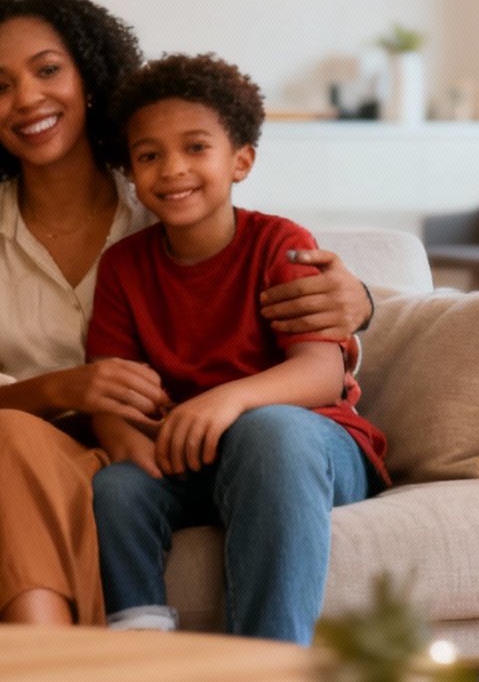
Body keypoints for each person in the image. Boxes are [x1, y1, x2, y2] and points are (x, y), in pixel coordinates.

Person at [0, 0, 377, 628]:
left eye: (49, 70)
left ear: (91, 80)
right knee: (40, 452)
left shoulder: (166, 207)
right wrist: (75, 394)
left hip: (216, 441)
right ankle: (97, 658)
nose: (26, 99)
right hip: (54, 452)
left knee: (260, 436)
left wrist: (363, 303)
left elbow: (309, 345)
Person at [86, 53, 389, 646]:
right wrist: (127, 445)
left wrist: (224, 402)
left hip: (308, 444)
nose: (172, 169)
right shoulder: (123, 266)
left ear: (241, 161)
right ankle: (142, 648)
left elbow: (321, 374)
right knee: (116, 487)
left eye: (196, 147)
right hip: (197, 459)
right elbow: (110, 389)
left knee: (266, 429)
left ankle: (268, 661)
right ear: (130, 171)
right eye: (149, 155)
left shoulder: (282, 244)